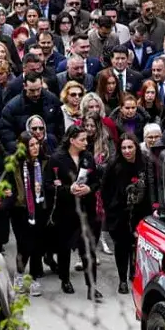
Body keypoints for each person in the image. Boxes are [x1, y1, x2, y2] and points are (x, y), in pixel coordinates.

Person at [51, 126, 102, 300]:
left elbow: (96, 181)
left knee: (88, 249)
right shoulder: (57, 159)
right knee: (64, 248)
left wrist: (89, 188)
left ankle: (92, 286)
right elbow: (49, 185)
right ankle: (65, 279)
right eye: (82, 140)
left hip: (86, 210)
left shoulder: (87, 157)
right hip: (66, 211)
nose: (86, 143)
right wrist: (67, 189)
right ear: (72, 140)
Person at [102, 133, 149, 295]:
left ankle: (133, 272)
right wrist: (110, 209)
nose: (127, 151)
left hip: (139, 212)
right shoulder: (114, 165)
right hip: (119, 213)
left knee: (136, 246)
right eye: (124, 148)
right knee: (121, 247)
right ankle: (122, 279)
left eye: (130, 147)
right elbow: (105, 189)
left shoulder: (144, 163)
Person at [10, 130, 52, 298]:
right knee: (24, 244)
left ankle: (34, 278)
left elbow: (49, 183)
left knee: (37, 245)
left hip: (40, 207)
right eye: (31, 145)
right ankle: (19, 275)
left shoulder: (44, 162)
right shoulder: (14, 164)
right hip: (20, 209)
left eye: (37, 144)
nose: (35, 148)